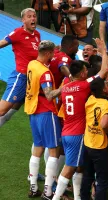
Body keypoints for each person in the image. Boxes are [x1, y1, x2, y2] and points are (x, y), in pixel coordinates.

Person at [52, 38, 108, 200]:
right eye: (85, 70)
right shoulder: (84, 85)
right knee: (71, 167)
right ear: (82, 73)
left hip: (66, 131)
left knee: (80, 167)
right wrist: (103, 50)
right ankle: (55, 197)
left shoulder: (65, 87)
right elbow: (103, 71)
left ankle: (77, 197)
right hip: (78, 134)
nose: (86, 72)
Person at [24, 40, 62, 199]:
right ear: (47, 54)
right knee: (54, 151)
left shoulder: (32, 64)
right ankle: (47, 191)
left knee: (37, 149)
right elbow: (49, 94)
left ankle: (33, 187)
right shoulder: (45, 73)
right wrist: (64, 88)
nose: (53, 55)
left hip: (33, 111)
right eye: (52, 53)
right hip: (47, 113)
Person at [0, 8, 40, 127]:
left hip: (32, 78)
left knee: (17, 105)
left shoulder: (37, 35)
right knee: (2, 109)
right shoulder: (18, 33)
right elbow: (2, 43)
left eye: (34, 16)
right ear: (23, 20)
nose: (33, 18)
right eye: (29, 16)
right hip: (20, 76)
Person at [80, 78, 108, 200]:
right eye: (105, 84)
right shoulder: (106, 105)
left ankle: (84, 198)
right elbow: (104, 124)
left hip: (88, 142)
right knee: (102, 179)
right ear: (104, 89)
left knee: (87, 175)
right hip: (99, 146)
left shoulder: (90, 99)